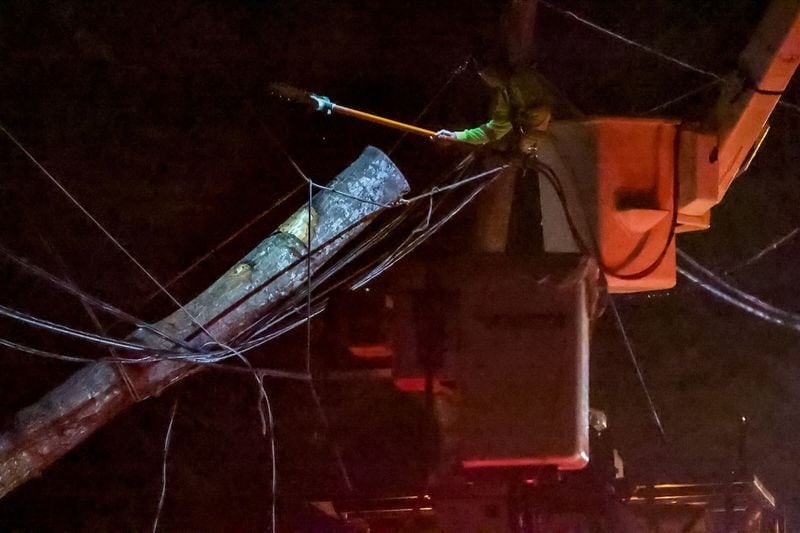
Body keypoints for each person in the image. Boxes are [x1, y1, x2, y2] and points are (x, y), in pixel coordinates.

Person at [435, 59, 556, 156]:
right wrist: (456, 136)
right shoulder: (506, 95)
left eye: (483, 71)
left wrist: (528, 141)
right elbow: (491, 132)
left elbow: (541, 115)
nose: (482, 75)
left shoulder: (526, 83)